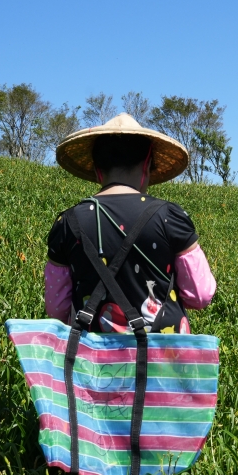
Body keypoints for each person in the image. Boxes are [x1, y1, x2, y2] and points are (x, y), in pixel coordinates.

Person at [44, 113, 216, 334]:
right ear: (147, 164)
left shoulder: (68, 222)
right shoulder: (169, 216)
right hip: (164, 360)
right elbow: (200, 295)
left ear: (97, 170)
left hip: (92, 362)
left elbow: (56, 308)